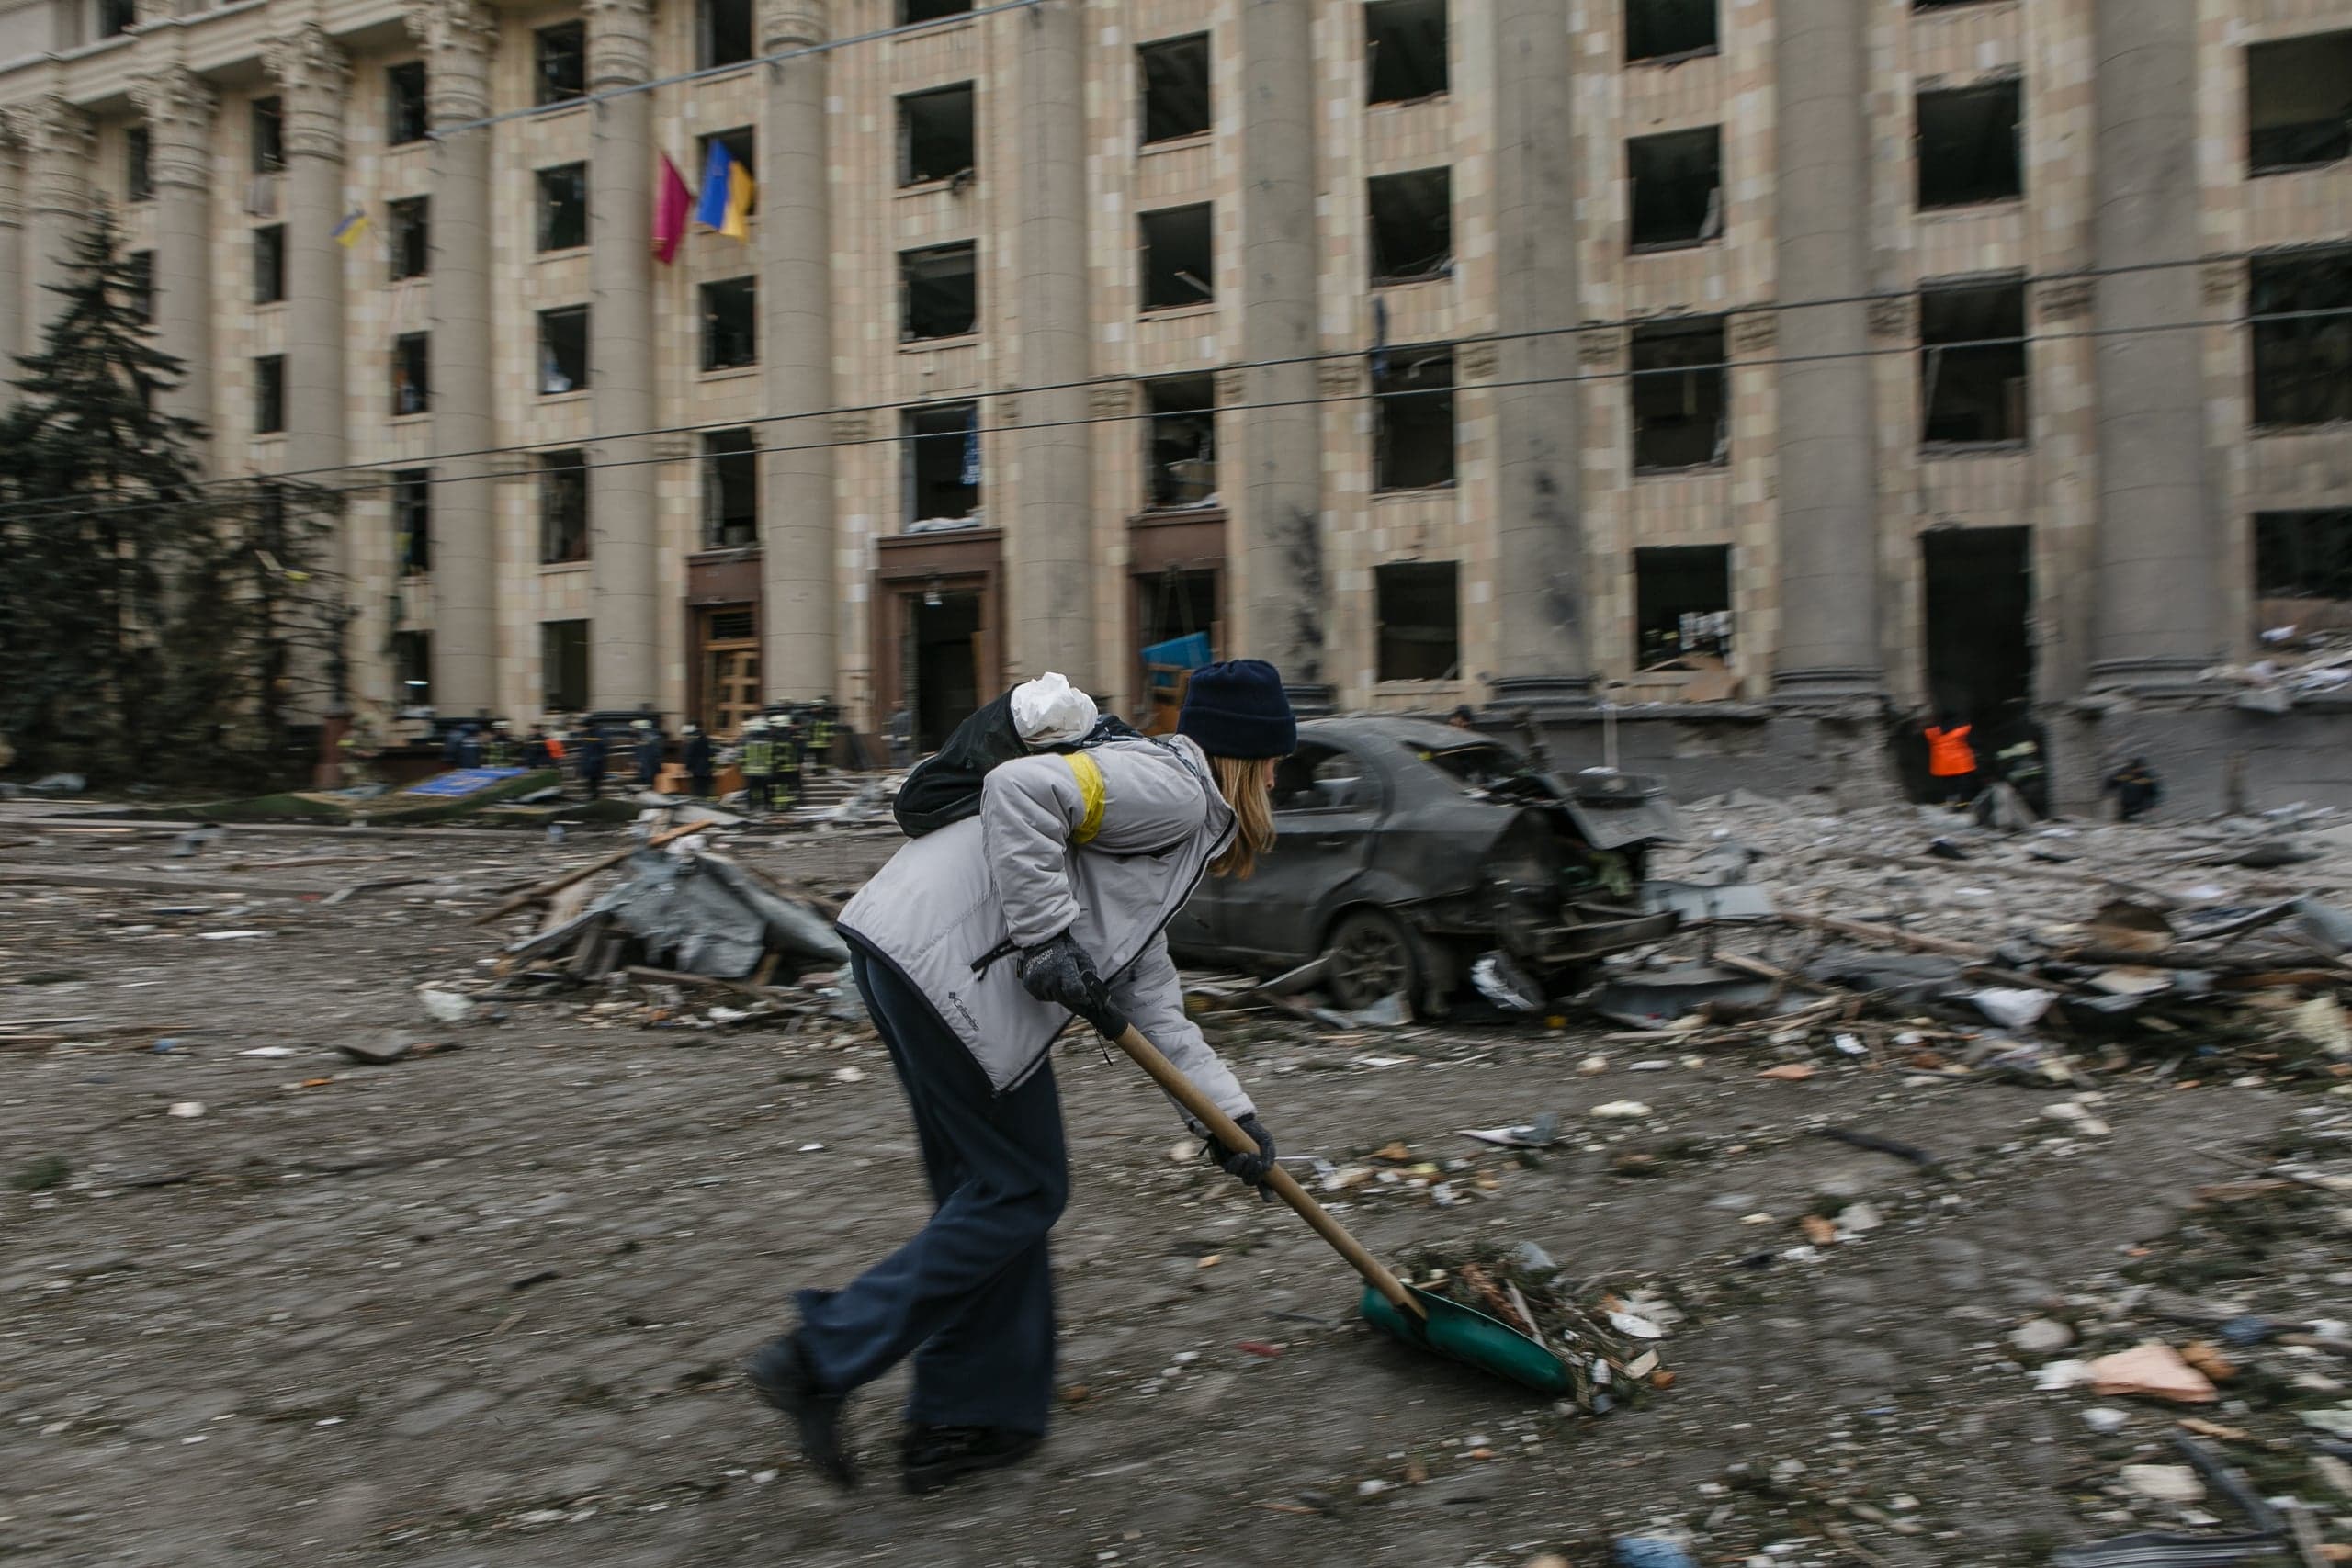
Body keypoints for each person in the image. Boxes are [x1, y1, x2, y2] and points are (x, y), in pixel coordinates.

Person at [744, 660, 1295, 1495]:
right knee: (1022, 1190)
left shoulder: (1176, 817)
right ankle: (820, 1355)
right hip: (949, 971)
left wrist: (1229, 1119)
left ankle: (966, 1417)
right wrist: (1046, 938)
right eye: (1279, 760)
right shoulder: (1175, 791)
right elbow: (1021, 790)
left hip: (907, 953)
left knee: (989, 1195)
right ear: (1257, 758)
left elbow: (1151, 994)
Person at [1923, 711, 1977, 806]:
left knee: (1949, 783)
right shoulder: (1962, 730)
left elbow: (1926, 729)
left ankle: (1950, 800)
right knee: (1964, 783)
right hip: (1960, 763)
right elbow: (1969, 731)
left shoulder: (1932, 733)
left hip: (1943, 764)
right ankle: (1964, 801)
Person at [2106, 755, 2163, 821]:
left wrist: (2153, 804)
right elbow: (2112, 781)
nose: (2138, 770)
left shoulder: (2147, 776)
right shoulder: (2124, 774)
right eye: (2136, 768)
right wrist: (2108, 788)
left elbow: (2155, 791)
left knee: (2139, 821)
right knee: (2123, 821)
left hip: (2141, 805)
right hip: (2125, 806)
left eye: (2140, 768)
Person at [741, 716, 775, 812]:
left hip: (750, 771)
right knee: (765, 790)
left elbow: (742, 756)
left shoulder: (746, 741)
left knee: (751, 791)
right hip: (764, 771)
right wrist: (771, 770)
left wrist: (742, 768)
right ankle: (767, 806)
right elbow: (771, 757)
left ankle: (751, 807)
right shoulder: (769, 741)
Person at [574, 726, 607, 801]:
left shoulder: (596, 734)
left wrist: (595, 759)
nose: (582, 728)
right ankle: (594, 797)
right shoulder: (587, 735)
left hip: (594, 765)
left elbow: (602, 750)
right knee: (592, 783)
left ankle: (595, 798)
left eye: (583, 726)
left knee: (594, 783)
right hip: (590, 765)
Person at [683, 723, 714, 798]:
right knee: (706, 791)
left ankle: (699, 805)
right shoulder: (707, 738)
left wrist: (687, 768)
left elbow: (689, 755)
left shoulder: (692, 740)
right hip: (707, 770)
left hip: (697, 770)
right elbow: (711, 754)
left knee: (697, 791)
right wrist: (711, 766)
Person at [633, 719, 664, 789]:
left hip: (648, 769)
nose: (635, 731)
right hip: (646, 769)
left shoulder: (648, 738)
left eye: (636, 729)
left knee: (648, 785)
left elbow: (653, 755)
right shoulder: (645, 738)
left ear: (640, 729)